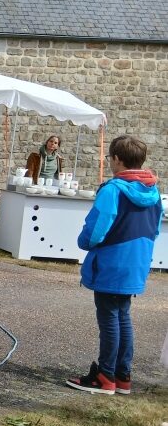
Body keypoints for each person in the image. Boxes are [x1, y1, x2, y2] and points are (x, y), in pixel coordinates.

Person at [66, 135, 162, 395]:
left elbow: (98, 227)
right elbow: (154, 228)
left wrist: (84, 242)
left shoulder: (112, 189)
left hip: (112, 261)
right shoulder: (154, 191)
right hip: (137, 260)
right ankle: (122, 375)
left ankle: (105, 376)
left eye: (110, 158)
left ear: (117, 159)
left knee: (109, 317)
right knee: (123, 316)